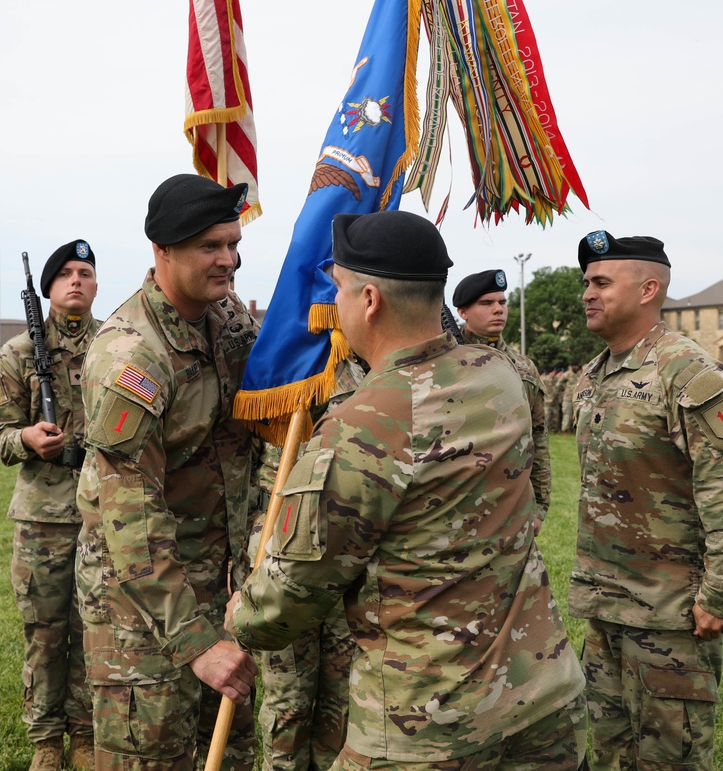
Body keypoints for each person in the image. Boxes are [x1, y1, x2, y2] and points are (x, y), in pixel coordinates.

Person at [228, 210, 588, 770]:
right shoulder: (498, 374)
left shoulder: (364, 424)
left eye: (340, 291)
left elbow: (290, 597)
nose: (337, 306)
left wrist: (240, 615)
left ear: (369, 300)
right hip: (542, 696)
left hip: (427, 725)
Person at [76, 175, 259, 770]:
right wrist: (196, 643)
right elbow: (130, 521)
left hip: (218, 585)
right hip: (143, 608)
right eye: (210, 246)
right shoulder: (130, 358)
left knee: (226, 751)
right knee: (150, 756)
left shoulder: (223, 318)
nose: (228, 260)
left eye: (233, 244)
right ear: (162, 251)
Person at [571, 230, 723, 770]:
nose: (587, 293)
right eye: (586, 282)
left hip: (670, 614)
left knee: (670, 759)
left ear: (648, 289)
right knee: (613, 752)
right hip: (606, 606)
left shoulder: (686, 373)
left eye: (602, 282)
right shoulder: (596, 376)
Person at [0, 239, 100, 771]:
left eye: (86, 272)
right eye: (66, 274)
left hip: (103, 514)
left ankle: (85, 733)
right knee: (46, 632)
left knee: (93, 630)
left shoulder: (114, 347)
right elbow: (1, 439)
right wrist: (28, 438)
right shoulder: (17, 354)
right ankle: (46, 740)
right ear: (49, 287)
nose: (76, 280)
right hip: (43, 519)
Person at [248, 358, 364, 771]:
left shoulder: (374, 366)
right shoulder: (290, 358)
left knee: (341, 695)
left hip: (347, 554)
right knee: (290, 699)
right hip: (282, 550)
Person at [452, 268, 552, 534]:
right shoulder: (444, 363)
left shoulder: (523, 367)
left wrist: (540, 506)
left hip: (512, 499)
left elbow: (538, 438)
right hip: (455, 500)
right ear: (463, 312)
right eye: (486, 303)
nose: (498, 309)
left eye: (502, 302)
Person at [559, 362, 583, 432]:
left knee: (577, 415)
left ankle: (574, 430)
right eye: (575, 366)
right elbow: (559, 383)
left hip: (577, 399)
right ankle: (564, 430)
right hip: (568, 398)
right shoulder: (566, 374)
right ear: (572, 366)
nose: (576, 367)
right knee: (567, 415)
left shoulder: (579, 374)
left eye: (577, 366)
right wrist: (564, 390)